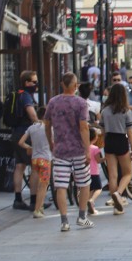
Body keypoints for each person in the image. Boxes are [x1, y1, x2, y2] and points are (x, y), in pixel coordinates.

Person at [44, 73, 94, 231]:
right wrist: (87, 150)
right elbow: (84, 127)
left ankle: (64, 221)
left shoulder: (53, 102)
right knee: (84, 183)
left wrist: (50, 142)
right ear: (75, 86)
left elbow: (46, 124)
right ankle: (82, 216)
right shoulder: (81, 103)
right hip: (78, 149)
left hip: (60, 150)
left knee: (61, 186)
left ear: (62, 84)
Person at [100, 83, 132, 214]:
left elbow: (102, 131)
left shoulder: (104, 111)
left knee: (113, 175)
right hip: (121, 140)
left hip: (109, 141)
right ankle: (119, 194)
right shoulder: (126, 111)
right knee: (127, 173)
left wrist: (105, 145)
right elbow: (130, 133)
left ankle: (115, 201)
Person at [10, 70, 40, 211]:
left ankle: (18, 199)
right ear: (27, 82)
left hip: (15, 133)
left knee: (20, 165)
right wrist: (42, 124)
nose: (36, 84)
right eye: (34, 82)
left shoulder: (17, 94)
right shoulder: (27, 96)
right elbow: (33, 116)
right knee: (35, 167)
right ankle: (34, 201)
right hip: (26, 134)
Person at [17, 106, 51, 218]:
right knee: (43, 185)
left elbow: (21, 142)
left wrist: (29, 147)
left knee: (36, 184)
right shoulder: (49, 128)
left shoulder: (32, 128)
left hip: (35, 159)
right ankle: (38, 209)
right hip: (45, 159)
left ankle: (39, 207)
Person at [87, 127, 104, 215]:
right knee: (98, 188)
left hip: (86, 172)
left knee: (90, 190)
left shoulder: (83, 147)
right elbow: (98, 160)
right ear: (94, 138)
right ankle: (92, 200)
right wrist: (105, 159)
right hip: (94, 172)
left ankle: (91, 208)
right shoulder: (95, 148)